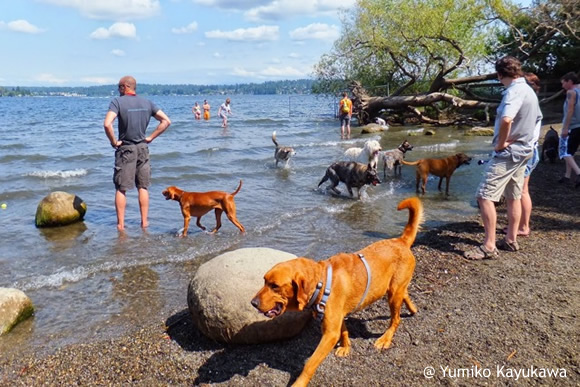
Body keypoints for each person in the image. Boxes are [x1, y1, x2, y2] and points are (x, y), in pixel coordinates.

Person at [464, 56, 542, 260]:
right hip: (525, 151)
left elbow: (507, 118)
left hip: (508, 153)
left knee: (484, 196)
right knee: (513, 196)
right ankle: (510, 239)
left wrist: (500, 144)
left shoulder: (514, 92)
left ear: (499, 75)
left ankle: (489, 246)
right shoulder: (529, 91)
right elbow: (537, 119)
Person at [104, 75, 171, 231]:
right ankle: (144, 222)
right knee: (143, 187)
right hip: (142, 148)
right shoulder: (147, 102)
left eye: (119, 87)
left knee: (121, 188)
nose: (118, 90)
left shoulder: (117, 102)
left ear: (125, 87)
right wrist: (151, 138)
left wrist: (113, 142)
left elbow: (107, 124)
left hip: (126, 148)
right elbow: (166, 121)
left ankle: (121, 225)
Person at [501, 72, 541, 237]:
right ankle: (522, 226)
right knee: (523, 190)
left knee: (521, 191)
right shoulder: (532, 103)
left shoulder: (526, 102)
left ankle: (523, 227)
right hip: (532, 150)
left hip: (527, 151)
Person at [558, 71, 580, 187]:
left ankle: (578, 173)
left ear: (570, 82)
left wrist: (565, 128)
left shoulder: (571, 93)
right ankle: (567, 176)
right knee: (570, 151)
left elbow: (570, 111)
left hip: (574, 126)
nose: (563, 86)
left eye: (564, 83)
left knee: (565, 152)